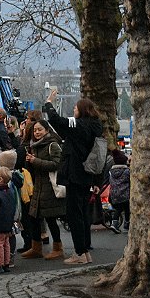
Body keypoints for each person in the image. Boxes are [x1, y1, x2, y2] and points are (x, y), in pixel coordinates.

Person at [42, 95, 103, 264]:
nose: (73, 111)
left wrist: (49, 104)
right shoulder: (96, 126)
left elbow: (56, 120)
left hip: (75, 174)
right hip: (87, 174)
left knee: (74, 214)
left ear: (82, 110)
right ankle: (85, 251)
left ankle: (80, 253)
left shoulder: (79, 124)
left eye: (75, 108)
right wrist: (97, 181)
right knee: (82, 213)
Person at [20, 119, 66, 260]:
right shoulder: (34, 146)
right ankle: (36, 247)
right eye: (35, 130)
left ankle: (58, 248)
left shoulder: (53, 144)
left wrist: (36, 161)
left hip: (50, 187)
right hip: (38, 186)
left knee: (51, 219)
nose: (37, 132)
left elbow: (57, 164)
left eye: (40, 129)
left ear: (47, 130)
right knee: (34, 217)